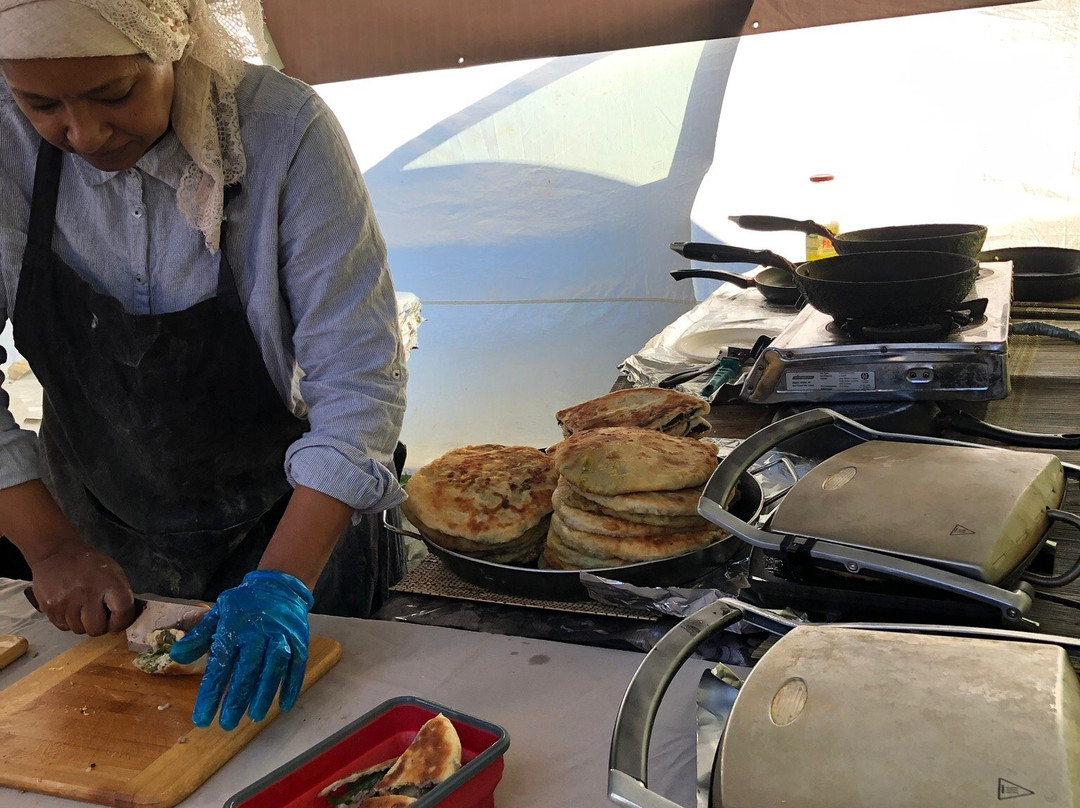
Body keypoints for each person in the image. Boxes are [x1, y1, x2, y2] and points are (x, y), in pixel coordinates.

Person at [0, 0, 408, 731]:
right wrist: (53, 546)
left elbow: (359, 378)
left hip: (292, 526)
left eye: (115, 93)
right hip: (101, 537)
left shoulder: (285, 132)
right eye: (39, 103)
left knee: (306, 746)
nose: (82, 132)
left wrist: (281, 581)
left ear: (174, 43)